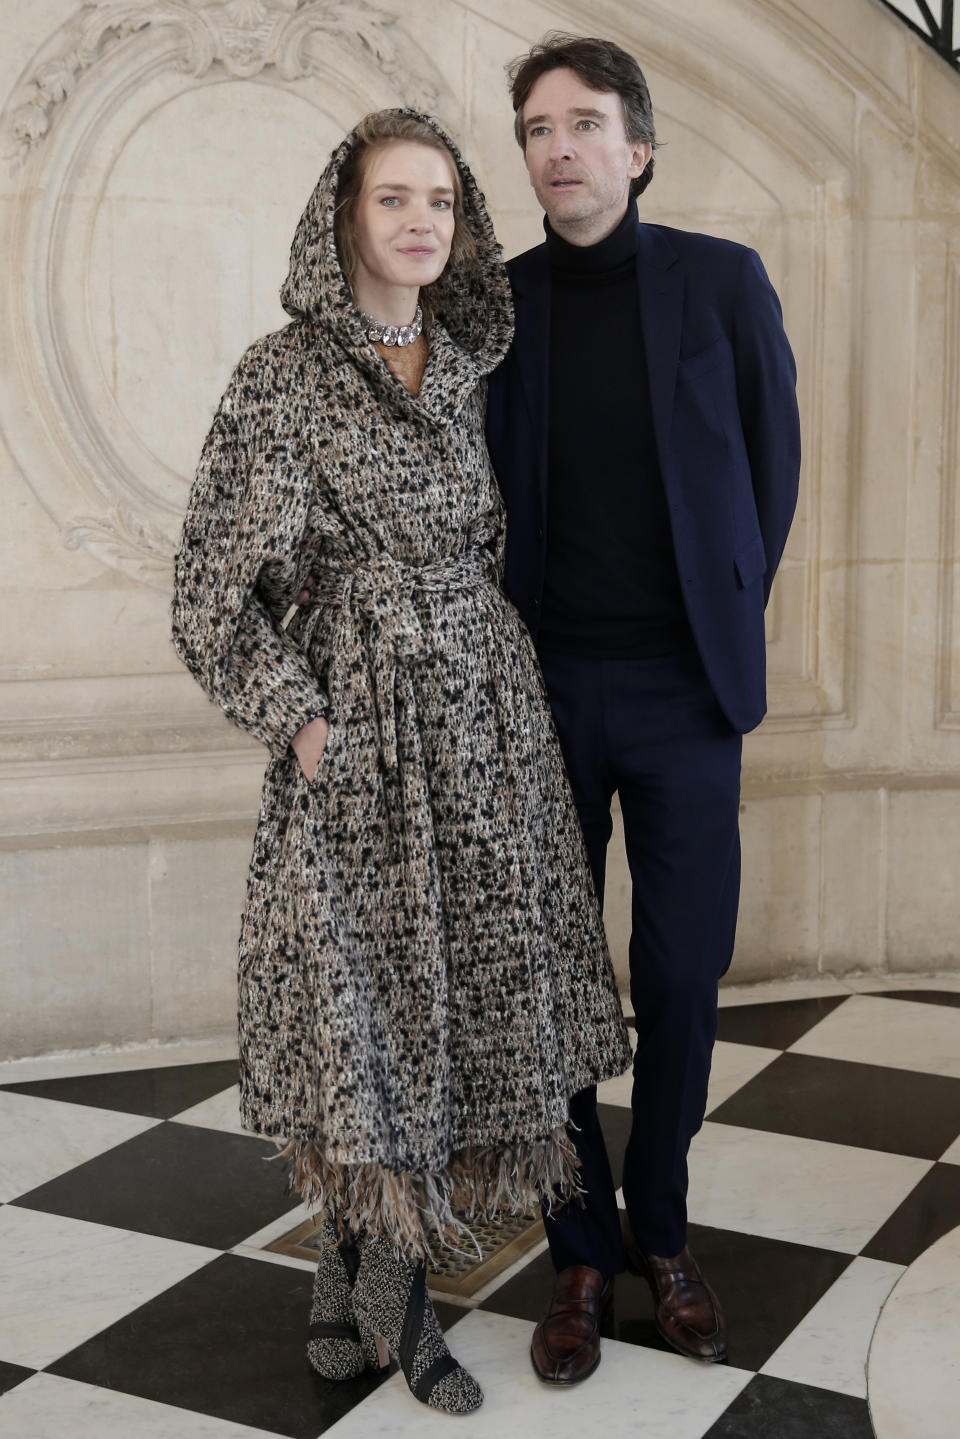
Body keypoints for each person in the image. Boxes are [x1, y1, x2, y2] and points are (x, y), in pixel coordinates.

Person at [171, 108, 631, 1416]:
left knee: (447, 1018)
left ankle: (356, 1266)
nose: (421, 220)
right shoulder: (285, 375)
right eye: (393, 198)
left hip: (484, 747)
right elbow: (212, 587)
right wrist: (299, 716)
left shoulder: (485, 366)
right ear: (344, 218)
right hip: (354, 749)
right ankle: (398, 1305)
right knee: (358, 1017)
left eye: (441, 198)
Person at [486, 34, 801, 1383]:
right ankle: (578, 1252)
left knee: (680, 973)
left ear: (638, 146)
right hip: (543, 689)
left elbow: (770, 473)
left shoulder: (722, 285)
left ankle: (659, 1227)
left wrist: (722, 613)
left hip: (684, 691)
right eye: (538, 128)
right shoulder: (496, 307)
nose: (559, 146)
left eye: (585, 123)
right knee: (557, 988)